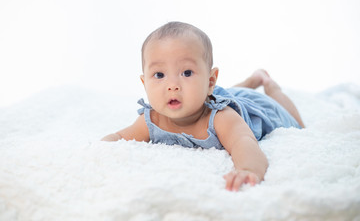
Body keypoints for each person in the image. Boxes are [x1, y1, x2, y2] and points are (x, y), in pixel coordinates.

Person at [101, 21, 304, 191]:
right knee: (219, 93)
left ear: (210, 80)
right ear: (145, 83)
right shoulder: (152, 119)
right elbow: (119, 138)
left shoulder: (221, 118)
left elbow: (243, 142)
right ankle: (252, 79)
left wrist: (248, 169)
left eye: (187, 73)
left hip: (253, 104)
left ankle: (268, 84)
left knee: (295, 121)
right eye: (159, 75)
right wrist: (100, 147)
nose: (172, 86)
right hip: (214, 93)